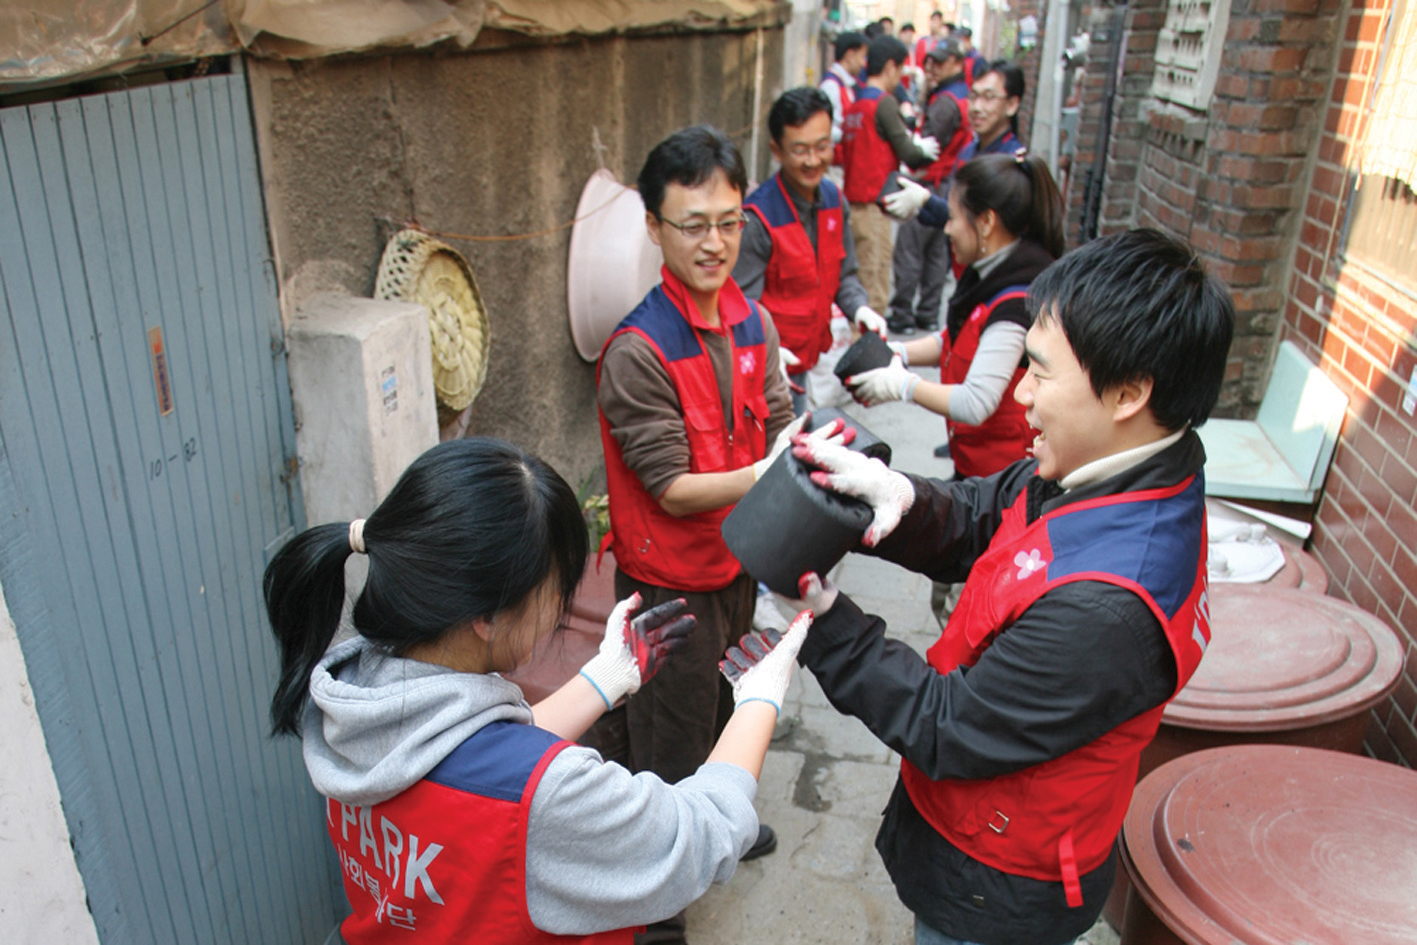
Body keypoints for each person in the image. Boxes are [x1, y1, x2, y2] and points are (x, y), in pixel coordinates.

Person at [786, 227, 1235, 945]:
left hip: (997, 878)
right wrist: (891, 494)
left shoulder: (1109, 607)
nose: (1017, 394)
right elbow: (983, 513)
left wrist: (821, 621)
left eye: (1040, 371)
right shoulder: (1115, 463)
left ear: (1127, 392)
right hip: (979, 826)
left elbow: (948, 724)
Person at [264, 436, 816, 943]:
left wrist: (603, 681)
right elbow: (701, 836)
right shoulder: (546, 798)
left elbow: (468, 765)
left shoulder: (354, 701)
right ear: (487, 614)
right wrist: (759, 696)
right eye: (556, 588)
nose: (559, 608)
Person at [596, 124, 847, 943]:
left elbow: (779, 420)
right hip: (669, 580)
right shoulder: (637, 349)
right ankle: (656, 902)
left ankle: (723, 822)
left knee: (729, 708)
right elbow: (669, 488)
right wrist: (771, 467)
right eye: (692, 223)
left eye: (729, 221)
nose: (714, 242)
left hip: (743, 564)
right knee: (666, 738)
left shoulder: (752, 323)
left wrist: (801, 460)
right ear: (653, 226)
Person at [855, 152, 1065, 480]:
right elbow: (957, 338)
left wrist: (902, 386)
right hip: (976, 468)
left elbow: (975, 402)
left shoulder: (1016, 303)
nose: (947, 229)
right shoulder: (989, 272)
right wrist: (899, 353)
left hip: (1003, 483)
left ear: (986, 223)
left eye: (952, 217)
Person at [735, 87, 887, 413]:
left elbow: (844, 273)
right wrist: (766, 353)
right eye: (800, 150)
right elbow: (740, 308)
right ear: (776, 149)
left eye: (822, 147)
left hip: (807, 360)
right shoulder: (757, 220)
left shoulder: (834, 199)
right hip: (764, 368)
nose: (813, 160)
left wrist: (859, 308)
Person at [841, 35, 942, 311]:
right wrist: (921, 150)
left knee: (863, 283)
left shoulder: (855, 104)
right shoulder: (883, 104)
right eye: (899, 69)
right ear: (890, 67)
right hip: (874, 208)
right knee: (873, 291)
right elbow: (908, 152)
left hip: (855, 205)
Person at [886, 36, 974, 334]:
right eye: (930, 62)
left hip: (930, 183)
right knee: (937, 251)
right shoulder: (957, 95)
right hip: (947, 184)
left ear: (957, 63)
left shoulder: (946, 102)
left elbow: (926, 150)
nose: (933, 67)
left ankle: (902, 313)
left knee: (912, 249)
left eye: (941, 61)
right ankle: (928, 313)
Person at [886, 60, 1029, 234]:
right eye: (974, 96)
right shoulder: (968, 151)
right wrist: (916, 209)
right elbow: (948, 212)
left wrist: (925, 200)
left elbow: (978, 225)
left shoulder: (1012, 162)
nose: (977, 107)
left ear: (1012, 105)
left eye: (989, 98)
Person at [820, 31, 868, 181]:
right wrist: (851, 135)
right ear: (849, 54)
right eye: (861, 56)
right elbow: (826, 129)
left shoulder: (847, 85)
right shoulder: (831, 86)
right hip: (832, 169)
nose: (863, 63)